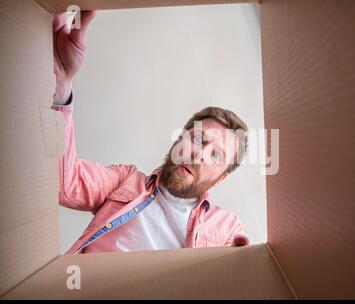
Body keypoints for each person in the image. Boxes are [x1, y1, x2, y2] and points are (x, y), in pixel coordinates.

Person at [52, 11, 250, 254]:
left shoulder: (226, 228)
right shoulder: (124, 181)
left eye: (216, 156)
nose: (200, 155)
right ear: (179, 140)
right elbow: (62, 184)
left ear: (221, 178)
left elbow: (237, 275)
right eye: (198, 139)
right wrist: (63, 85)